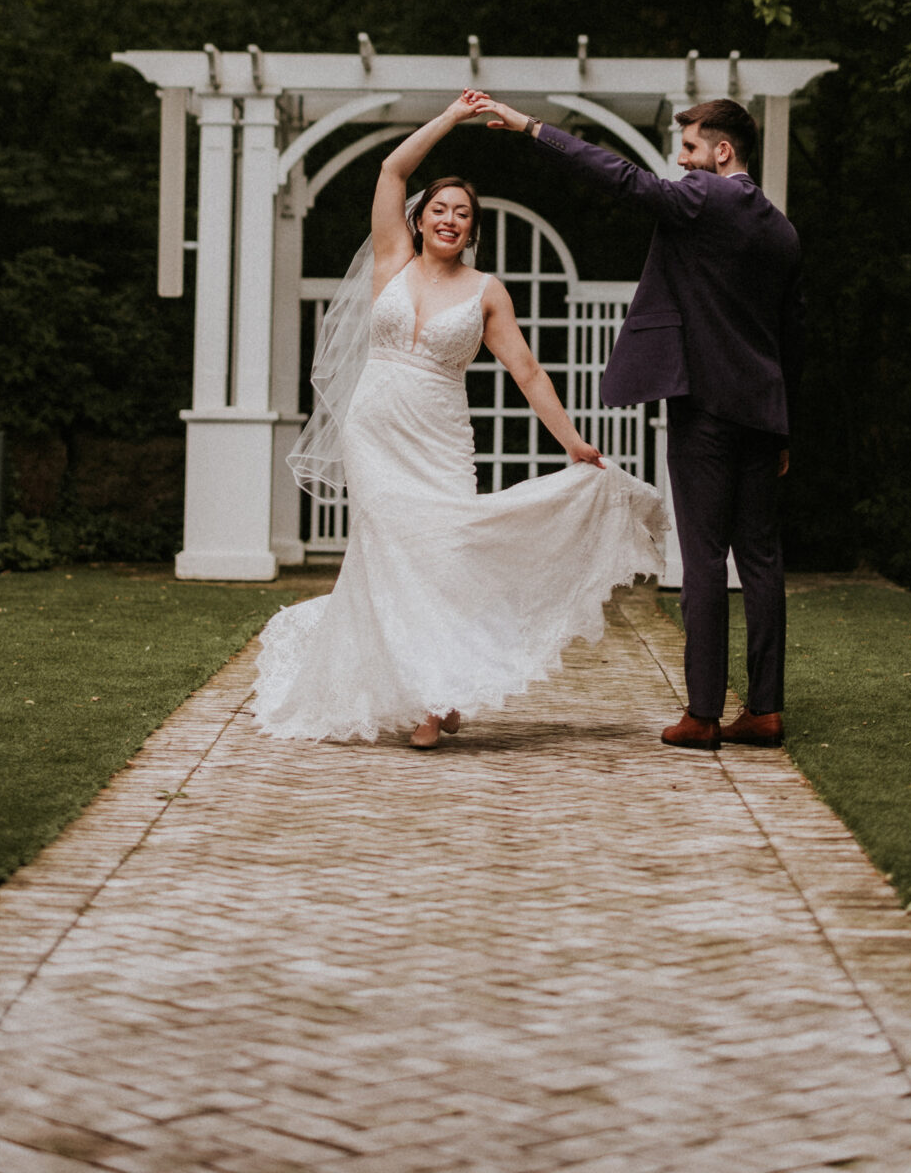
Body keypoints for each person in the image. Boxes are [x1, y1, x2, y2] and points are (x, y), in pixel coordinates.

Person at [251, 90, 667, 749]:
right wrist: (451, 118)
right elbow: (391, 170)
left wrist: (575, 443)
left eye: (462, 214)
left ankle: (440, 687)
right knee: (391, 557)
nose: (449, 219)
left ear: (472, 231)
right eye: (440, 208)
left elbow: (528, 373)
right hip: (376, 431)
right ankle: (429, 696)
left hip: (440, 435)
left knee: (445, 557)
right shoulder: (391, 259)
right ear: (421, 220)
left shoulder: (486, 293)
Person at [483, 95, 804, 751]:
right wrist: (784, 427)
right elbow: (790, 336)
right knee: (763, 561)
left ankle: (704, 713)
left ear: (722, 153)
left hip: (706, 407)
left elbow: (621, 178)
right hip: (763, 412)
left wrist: (531, 128)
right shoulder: (781, 229)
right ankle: (766, 709)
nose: (680, 165)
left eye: (689, 150)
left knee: (706, 558)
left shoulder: (703, 198)